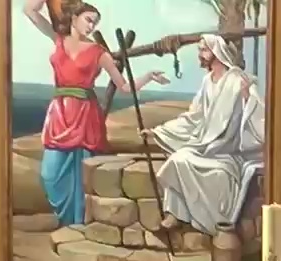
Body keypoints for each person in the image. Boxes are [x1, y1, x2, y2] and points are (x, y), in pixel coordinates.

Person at [21, 0, 170, 225]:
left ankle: (78, 224)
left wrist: (148, 76)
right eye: (88, 20)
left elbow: (124, 87)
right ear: (74, 17)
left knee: (84, 175)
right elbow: (29, 10)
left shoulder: (98, 53)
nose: (92, 26)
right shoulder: (57, 38)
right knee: (49, 175)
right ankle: (67, 220)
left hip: (84, 116)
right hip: (59, 115)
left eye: (95, 22)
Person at [142, 35, 265, 238]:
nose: (200, 55)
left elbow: (257, 115)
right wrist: (158, 131)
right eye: (200, 50)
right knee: (178, 159)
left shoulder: (237, 79)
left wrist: (246, 99)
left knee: (218, 174)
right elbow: (194, 117)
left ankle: (217, 224)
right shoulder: (207, 82)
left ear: (216, 53)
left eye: (203, 50)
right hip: (205, 147)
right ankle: (175, 214)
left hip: (227, 153)